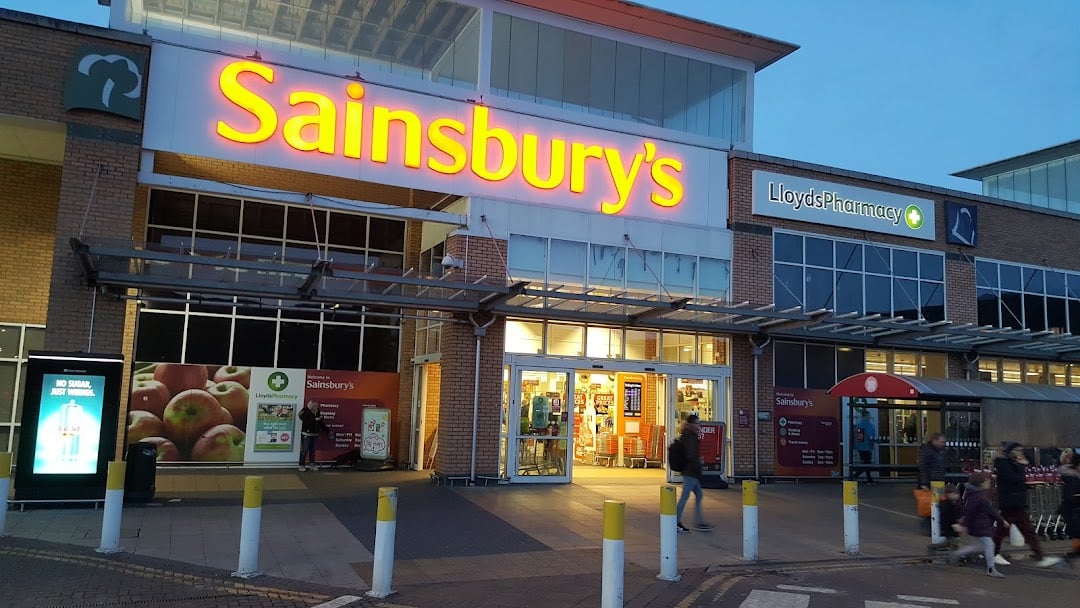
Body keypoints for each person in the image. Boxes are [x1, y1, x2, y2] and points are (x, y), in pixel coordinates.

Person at [992, 441, 1062, 568]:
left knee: (1023, 531)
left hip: (1016, 502)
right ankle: (993, 553)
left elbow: (1020, 480)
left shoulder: (1011, 463)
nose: (1020, 454)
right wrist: (1020, 466)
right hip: (1010, 503)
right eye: (1017, 451)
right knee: (1006, 530)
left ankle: (1039, 556)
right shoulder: (1003, 464)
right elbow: (1015, 479)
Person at [949, 472, 1009, 578]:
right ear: (981, 483)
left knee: (979, 546)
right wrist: (964, 525)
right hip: (980, 526)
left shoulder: (975, 494)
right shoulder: (977, 496)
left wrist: (1001, 520)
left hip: (977, 526)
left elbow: (984, 510)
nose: (989, 483)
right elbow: (975, 511)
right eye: (987, 481)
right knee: (989, 545)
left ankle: (957, 553)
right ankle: (991, 569)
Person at [675, 414, 713, 533]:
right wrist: (697, 467)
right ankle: (676, 522)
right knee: (685, 497)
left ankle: (699, 522)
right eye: (697, 423)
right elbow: (691, 455)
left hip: (691, 471)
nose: (699, 425)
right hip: (691, 471)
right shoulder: (689, 437)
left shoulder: (689, 435)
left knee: (699, 494)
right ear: (691, 424)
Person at [298, 400, 333, 472]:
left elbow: (321, 424)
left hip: (315, 434)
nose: (317, 407)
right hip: (306, 434)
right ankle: (301, 465)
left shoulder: (318, 412)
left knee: (313, 450)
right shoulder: (305, 412)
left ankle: (312, 464)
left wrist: (328, 431)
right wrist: (315, 420)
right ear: (311, 406)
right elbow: (306, 421)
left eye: (317, 406)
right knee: (304, 449)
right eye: (315, 406)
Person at [1059, 448, 1080, 562]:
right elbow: (1071, 496)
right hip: (1074, 511)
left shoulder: (1072, 476)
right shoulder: (1072, 477)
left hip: (1072, 511)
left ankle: (1072, 555)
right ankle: (1072, 555)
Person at [852, 411, 877, 484]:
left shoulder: (859, 425)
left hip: (861, 447)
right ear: (865, 416)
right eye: (868, 416)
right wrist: (877, 440)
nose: (869, 417)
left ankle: (867, 479)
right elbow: (870, 436)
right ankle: (855, 476)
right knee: (867, 464)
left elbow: (860, 438)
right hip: (866, 447)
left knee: (866, 464)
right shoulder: (867, 425)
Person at [938, 485, 963, 550]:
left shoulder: (956, 502)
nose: (956, 496)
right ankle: (952, 558)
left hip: (952, 527)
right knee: (954, 545)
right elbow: (948, 517)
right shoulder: (946, 504)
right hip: (950, 527)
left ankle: (932, 547)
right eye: (954, 494)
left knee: (948, 543)